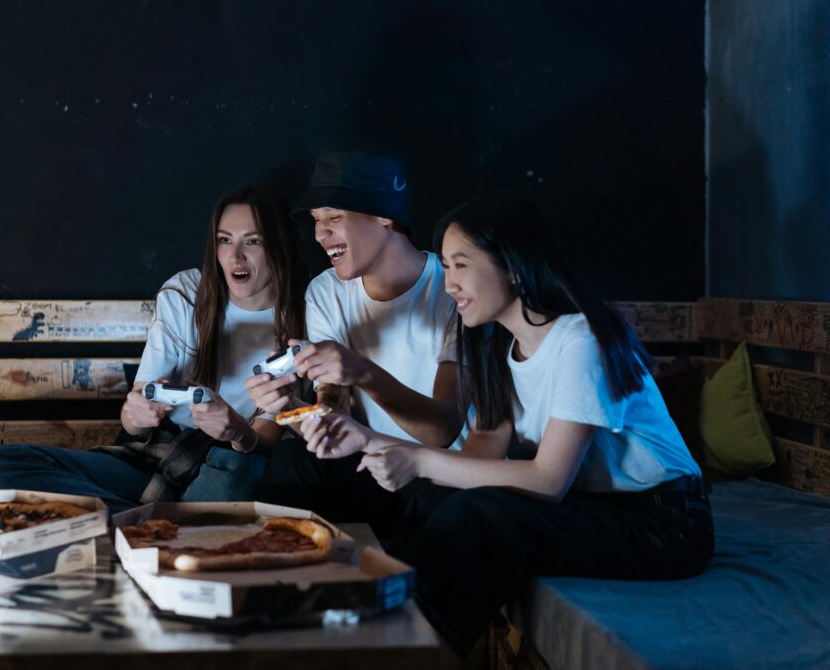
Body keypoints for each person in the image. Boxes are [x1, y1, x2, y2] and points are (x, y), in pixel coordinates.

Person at [297, 194, 713, 657]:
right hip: (593, 506)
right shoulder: (496, 348)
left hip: (665, 523)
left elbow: (548, 481)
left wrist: (413, 459)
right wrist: (368, 440)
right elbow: (477, 462)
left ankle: (401, 651)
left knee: (482, 518)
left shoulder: (580, 340)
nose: (450, 283)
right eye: (447, 268)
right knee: (438, 498)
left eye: (461, 265)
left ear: (513, 266)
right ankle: (374, 626)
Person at [0, 185, 309, 513]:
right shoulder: (186, 292)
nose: (235, 256)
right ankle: (163, 524)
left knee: (241, 471)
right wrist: (137, 413)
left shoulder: (304, 314)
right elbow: (135, 418)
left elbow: (264, 441)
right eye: (225, 240)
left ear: (278, 244)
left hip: (225, 464)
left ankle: (132, 519)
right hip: (157, 454)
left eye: (253, 241)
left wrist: (237, 430)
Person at [247, 148, 464, 535]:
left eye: (334, 217)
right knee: (294, 459)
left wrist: (363, 370)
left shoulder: (456, 290)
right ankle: (281, 580)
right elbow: (332, 413)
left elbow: (441, 432)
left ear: (385, 215)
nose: (319, 234)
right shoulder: (326, 292)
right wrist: (291, 406)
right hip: (368, 463)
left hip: (438, 475)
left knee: (437, 506)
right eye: (315, 221)